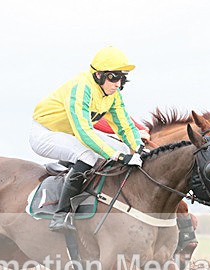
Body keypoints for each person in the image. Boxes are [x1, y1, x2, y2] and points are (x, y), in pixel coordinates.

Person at [30, 46, 144, 232]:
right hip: (45, 133)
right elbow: (84, 132)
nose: (117, 84)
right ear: (98, 75)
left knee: (125, 150)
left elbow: (125, 126)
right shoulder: (81, 88)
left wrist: (138, 147)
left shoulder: (113, 95)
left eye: (122, 78)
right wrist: (116, 156)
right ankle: (61, 215)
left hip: (71, 134)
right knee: (88, 156)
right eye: (113, 77)